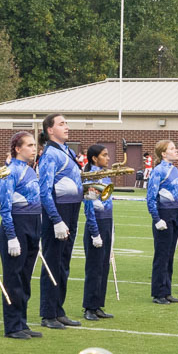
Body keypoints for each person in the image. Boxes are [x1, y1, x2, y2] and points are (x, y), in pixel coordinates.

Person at [36, 114, 84, 328]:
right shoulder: (50, 155)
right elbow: (44, 190)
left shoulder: (68, 151)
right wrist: (55, 219)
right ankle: (48, 313)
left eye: (66, 123)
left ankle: (58, 309)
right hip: (58, 211)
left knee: (64, 262)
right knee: (53, 262)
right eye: (61, 124)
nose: (66, 127)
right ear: (50, 130)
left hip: (72, 209)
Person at [0, 132, 44, 339]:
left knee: (25, 277)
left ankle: (22, 321)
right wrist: (11, 235)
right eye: (29, 145)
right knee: (14, 277)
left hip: (33, 223)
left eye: (35, 145)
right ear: (18, 148)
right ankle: (12, 325)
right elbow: (5, 206)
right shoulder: (10, 171)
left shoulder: (30, 170)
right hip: (17, 224)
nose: (34, 149)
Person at [81, 144, 115, 321]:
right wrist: (95, 233)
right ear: (94, 158)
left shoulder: (105, 175)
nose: (108, 158)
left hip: (107, 221)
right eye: (104, 155)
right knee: (94, 267)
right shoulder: (91, 177)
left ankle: (98, 304)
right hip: (97, 224)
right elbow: (89, 207)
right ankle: (89, 307)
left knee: (104, 266)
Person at [147, 139, 178, 304]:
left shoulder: (174, 169)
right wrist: (157, 218)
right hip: (164, 214)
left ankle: (167, 290)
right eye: (172, 148)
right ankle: (158, 293)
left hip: (175, 214)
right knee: (162, 255)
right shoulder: (158, 170)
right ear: (163, 153)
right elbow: (151, 196)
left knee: (170, 255)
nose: (176, 151)